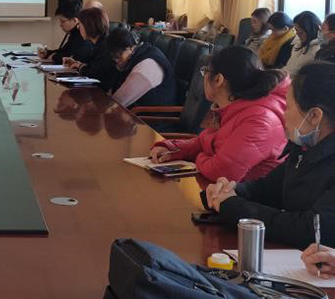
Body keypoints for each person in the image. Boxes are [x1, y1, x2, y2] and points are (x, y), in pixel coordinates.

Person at [205, 62, 335, 249]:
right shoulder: (303, 149)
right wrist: (228, 191)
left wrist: (234, 207)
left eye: (288, 107)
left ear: (314, 116)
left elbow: (311, 230)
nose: (283, 114)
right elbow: (267, 189)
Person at [150, 45, 288, 182]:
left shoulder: (259, 120)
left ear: (218, 80)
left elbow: (222, 173)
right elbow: (203, 142)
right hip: (218, 189)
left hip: (241, 193)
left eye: (205, 71)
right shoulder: (229, 108)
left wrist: (200, 157)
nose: (203, 77)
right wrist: (172, 149)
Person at [107, 27, 177, 108]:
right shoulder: (137, 54)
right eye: (113, 57)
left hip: (154, 114)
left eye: (118, 56)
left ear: (129, 48)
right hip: (138, 109)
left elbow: (120, 101)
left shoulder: (147, 65)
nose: (116, 60)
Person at [63, 7, 117, 91]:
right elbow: (92, 67)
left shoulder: (105, 46)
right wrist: (77, 64)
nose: (78, 27)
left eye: (80, 24)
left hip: (102, 94)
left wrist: (80, 66)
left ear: (89, 25)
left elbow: (94, 74)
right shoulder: (97, 44)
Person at [38, 0, 93, 65]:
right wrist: (47, 53)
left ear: (75, 20)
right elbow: (64, 51)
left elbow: (73, 57)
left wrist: (54, 57)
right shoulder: (74, 33)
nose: (60, 25)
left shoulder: (83, 35)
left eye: (63, 21)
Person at [284, 11, 322, 76]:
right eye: (296, 30)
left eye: (301, 32)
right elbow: (290, 67)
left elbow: (296, 72)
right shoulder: (298, 42)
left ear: (311, 31)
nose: (297, 34)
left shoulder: (317, 50)